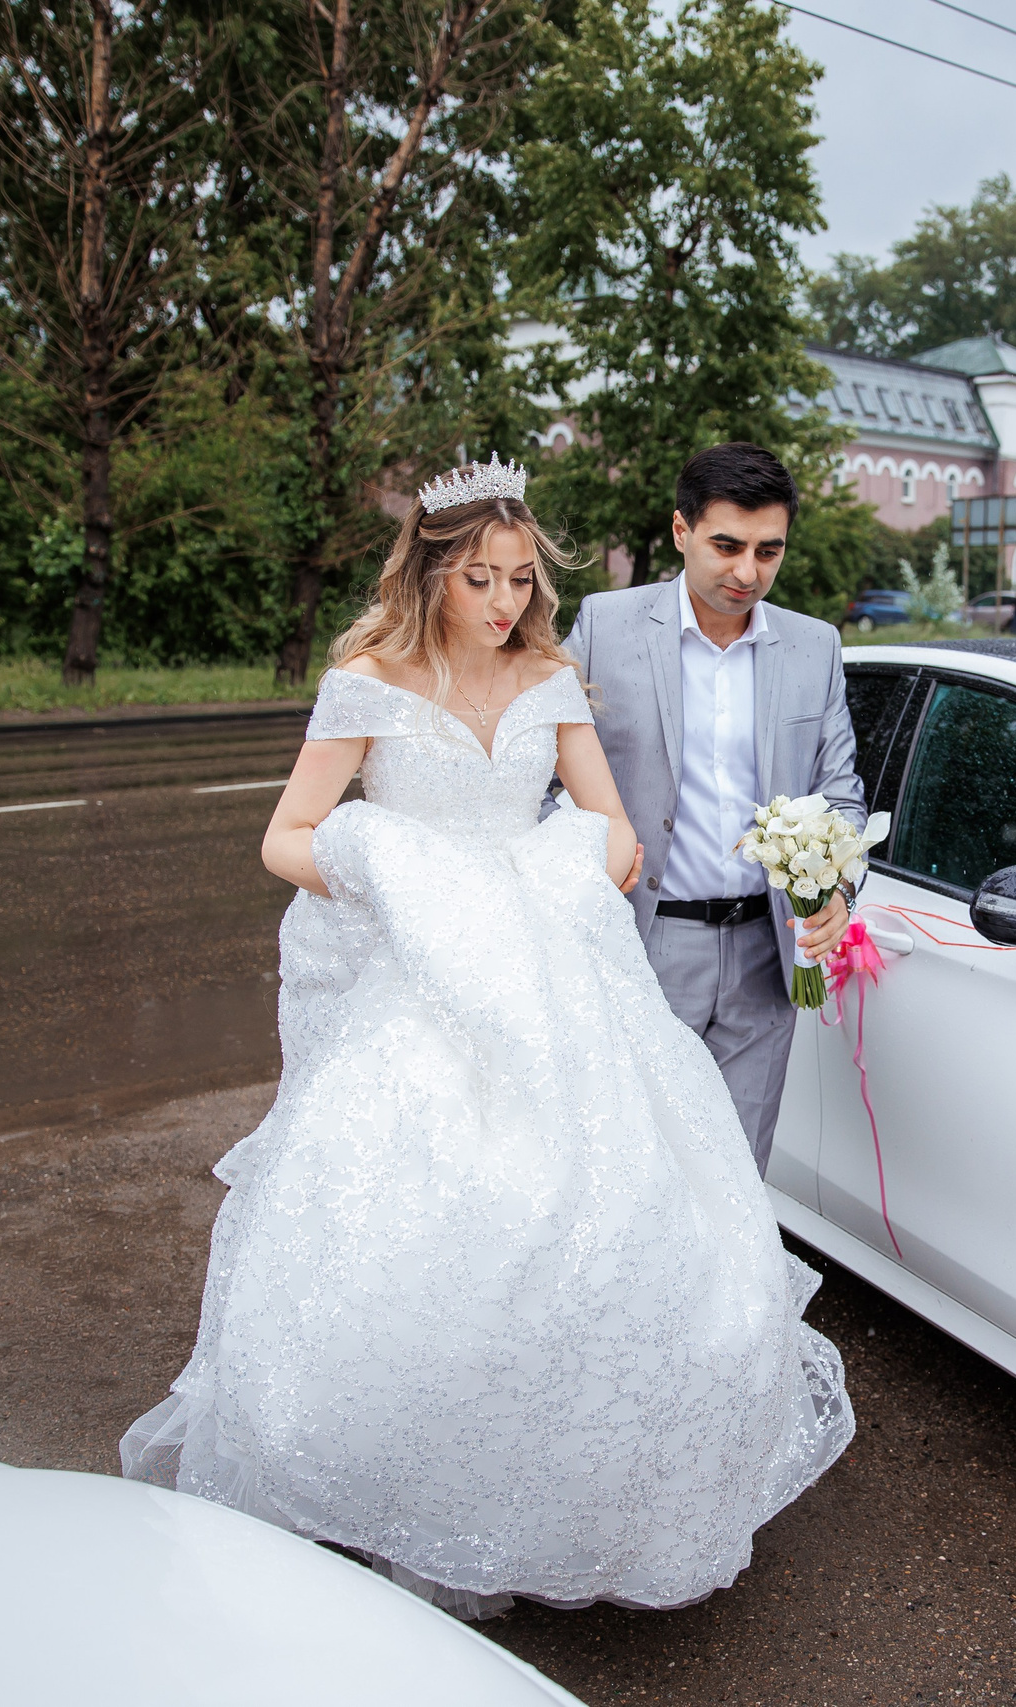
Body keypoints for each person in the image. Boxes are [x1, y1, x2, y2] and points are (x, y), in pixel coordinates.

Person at [122, 458, 853, 1618]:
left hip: (553, 985)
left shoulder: (552, 679)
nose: (504, 601)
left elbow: (610, 826)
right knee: (419, 1225)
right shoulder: (366, 682)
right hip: (419, 992)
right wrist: (395, 869)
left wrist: (584, 865)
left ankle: (566, 1490)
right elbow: (287, 838)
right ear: (431, 573)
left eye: (519, 579)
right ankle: (387, 1473)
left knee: (590, 1213)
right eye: (479, 579)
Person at [563, 443, 862, 1178]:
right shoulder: (605, 626)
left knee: (734, 1176)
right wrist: (583, 865)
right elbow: (542, 774)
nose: (747, 573)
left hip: (768, 955)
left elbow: (843, 794)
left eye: (769, 551)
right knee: (637, 1169)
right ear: (680, 531)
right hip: (646, 941)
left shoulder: (815, 645)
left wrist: (840, 888)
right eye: (727, 545)